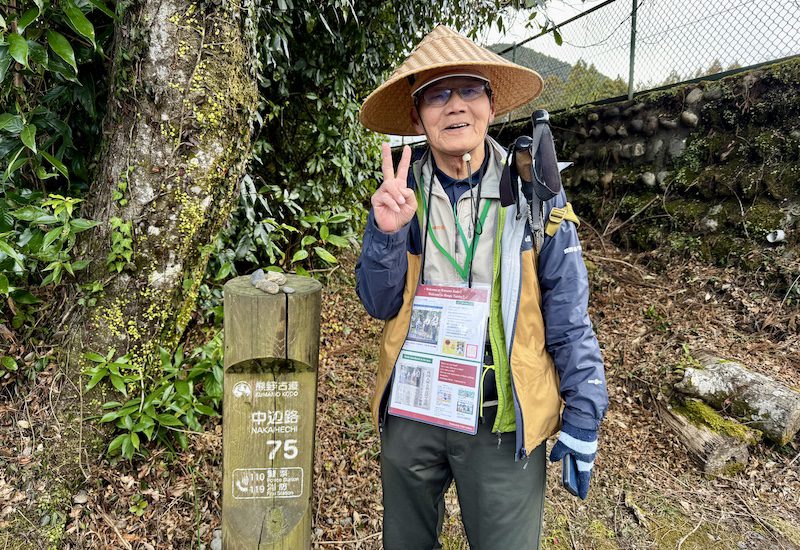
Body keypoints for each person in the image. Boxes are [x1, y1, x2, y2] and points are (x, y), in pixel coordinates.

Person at [355, 25, 608, 549]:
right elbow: (379, 303)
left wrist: (584, 410)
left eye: (469, 90)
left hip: (500, 414)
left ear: (491, 105)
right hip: (415, 405)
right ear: (417, 115)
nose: (455, 107)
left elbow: (568, 311)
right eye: (436, 95)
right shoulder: (400, 196)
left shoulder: (536, 194)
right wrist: (386, 233)